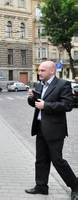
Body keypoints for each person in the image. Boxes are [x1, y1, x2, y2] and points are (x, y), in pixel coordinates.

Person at [26, 60, 78, 199]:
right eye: (39, 70)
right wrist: (31, 99)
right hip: (40, 127)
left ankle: (75, 186)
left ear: (52, 71)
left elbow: (68, 105)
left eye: (42, 70)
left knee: (57, 160)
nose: (39, 72)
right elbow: (37, 104)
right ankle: (41, 186)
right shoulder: (39, 84)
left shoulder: (63, 84)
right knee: (41, 159)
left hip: (55, 129)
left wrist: (46, 105)